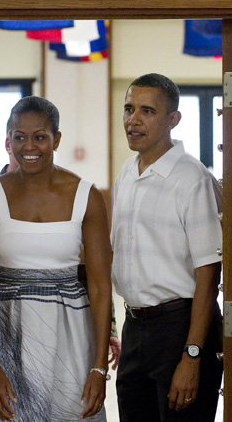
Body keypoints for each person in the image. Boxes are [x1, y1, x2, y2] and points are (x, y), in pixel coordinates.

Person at [0, 96, 112, 421]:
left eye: (39, 137)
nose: (29, 146)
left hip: (69, 338)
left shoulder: (86, 196)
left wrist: (99, 367)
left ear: (56, 139)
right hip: (6, 337)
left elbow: (100, 287)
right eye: (20, 137)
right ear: (8, 140)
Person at [111, 73, 223, 421]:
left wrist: (192, 355)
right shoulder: (127, 172)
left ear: (173, 119)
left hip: (182, 327)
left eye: (147, 111)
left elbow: (209, 272)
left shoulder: (193, 180)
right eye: (129, 109)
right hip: (135, 326)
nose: (133, 120)